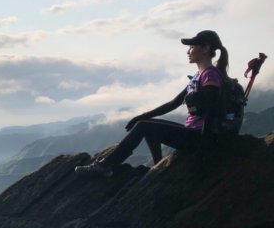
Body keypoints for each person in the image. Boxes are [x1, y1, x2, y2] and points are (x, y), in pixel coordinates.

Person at [75, 30, 230, 177]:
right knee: (145, 124)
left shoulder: (210, 75)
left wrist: (204, 147)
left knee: (145, 127)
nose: (188, 51)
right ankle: (157, 166)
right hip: (194, 133)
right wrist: (140, 117)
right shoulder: (199, 75)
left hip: (199, 136)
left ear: (205, 48)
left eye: (191, 46)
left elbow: (212, 109)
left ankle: (104, 166)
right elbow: (173, 103)